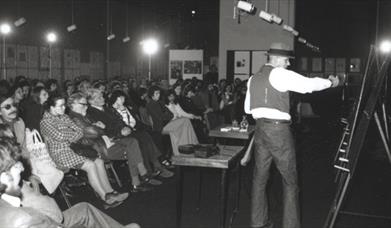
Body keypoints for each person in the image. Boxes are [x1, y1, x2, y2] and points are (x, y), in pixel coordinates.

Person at [245, 42, 340, 228]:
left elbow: (248, 108)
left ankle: (258, 223)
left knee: (259, 179)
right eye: (287, 60)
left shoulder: (252, 78)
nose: (288, 64)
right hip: (278, 131)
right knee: (290, 181)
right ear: (278, 59)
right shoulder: (280, 73)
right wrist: (331, 82)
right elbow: (308, 85)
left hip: (260, 130)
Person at [0, 137, 140, 228]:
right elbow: (56, 216)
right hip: (50, 221)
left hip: (45, 221)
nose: (22, 168)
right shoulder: (21, 220)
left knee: (84, 208)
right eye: (16, 166)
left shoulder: (7, 200)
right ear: (4, 177)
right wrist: (30, 193)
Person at [40, 94, 128, 208]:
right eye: (60, 106)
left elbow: (80, 131)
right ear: (51, 107)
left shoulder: (64, 117)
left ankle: (111, 192)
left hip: (74, 148)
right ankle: (105, 198)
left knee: (99, 162)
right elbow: (60, 136)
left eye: (64, 105)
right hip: (60, 152)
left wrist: (70, 134)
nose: (64, 108)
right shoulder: (45, 122)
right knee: (90, 165)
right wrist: (71, 133)